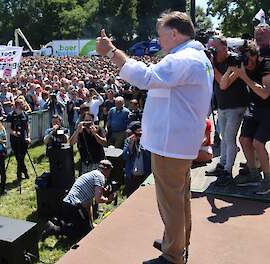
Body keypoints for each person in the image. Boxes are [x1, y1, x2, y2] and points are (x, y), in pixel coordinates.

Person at [97, 11, 213, 264]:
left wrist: (111, 52)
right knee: (179, 198)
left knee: (171, 202)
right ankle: (178, 242)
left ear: (174, 33)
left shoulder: (183, 59)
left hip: (171, 143)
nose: (159, 42)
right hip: (178, 141)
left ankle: (173, 255)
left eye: (161, 36)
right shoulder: (195, 57)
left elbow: (146, 78)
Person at [224, 41, 270, 193]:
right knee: (244, 139)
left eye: (249, 59)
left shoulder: (266, 66)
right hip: (254, 109)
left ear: (256, 56)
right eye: (244, 59)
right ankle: (253, 174)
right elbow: (223, 85)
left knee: (258, 143)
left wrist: (244, 76)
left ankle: (268, 179)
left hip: (267, 108)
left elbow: (264, 93)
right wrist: (230, 70)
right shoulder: (242, 65)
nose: (247, 63)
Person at [205, 36, 249, 186]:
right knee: (224, 137)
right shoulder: (214, 61)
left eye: (214, 48)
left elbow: (223, 83)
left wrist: (212, 66)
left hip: (236, 106)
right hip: (223, 106)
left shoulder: (236, 61)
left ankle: (228, 171)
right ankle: (222, 165)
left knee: (230, 138)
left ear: (224, 48)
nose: (212, 52)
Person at [61, 160, 116, 238]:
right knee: (83, 233)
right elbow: (98, 199)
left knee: (87, 228)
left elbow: (89, 204)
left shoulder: (93, 174)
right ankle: (53, 229)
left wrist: (91, 223)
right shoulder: (100, 177)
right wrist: (108, 199)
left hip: (68, 204)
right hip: (75, 206)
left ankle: (64, 225)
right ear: (107, 170)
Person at [123, 121, 151, 197]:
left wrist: (142, 143)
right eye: (136, 134)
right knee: (130, 196)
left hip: (144, 175)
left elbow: (149, 156)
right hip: (131, 175)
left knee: (143, 197)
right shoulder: (128, 141)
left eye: (139, 134)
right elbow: (125, 156)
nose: (137, 136)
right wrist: (131, 145)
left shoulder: (147, 141)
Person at [6, 99, 31, 181]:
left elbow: (28, 127)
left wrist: (28, 137)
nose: (24, 105)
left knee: (22, 157)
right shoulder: (11, 115)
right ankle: (23, 172)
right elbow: (9, 128)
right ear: (17, 105)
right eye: (22, 104)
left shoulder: (25, 114)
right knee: (18, 157)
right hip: (14, 140)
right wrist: (14, 133)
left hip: (24, 139)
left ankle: (20, 172)